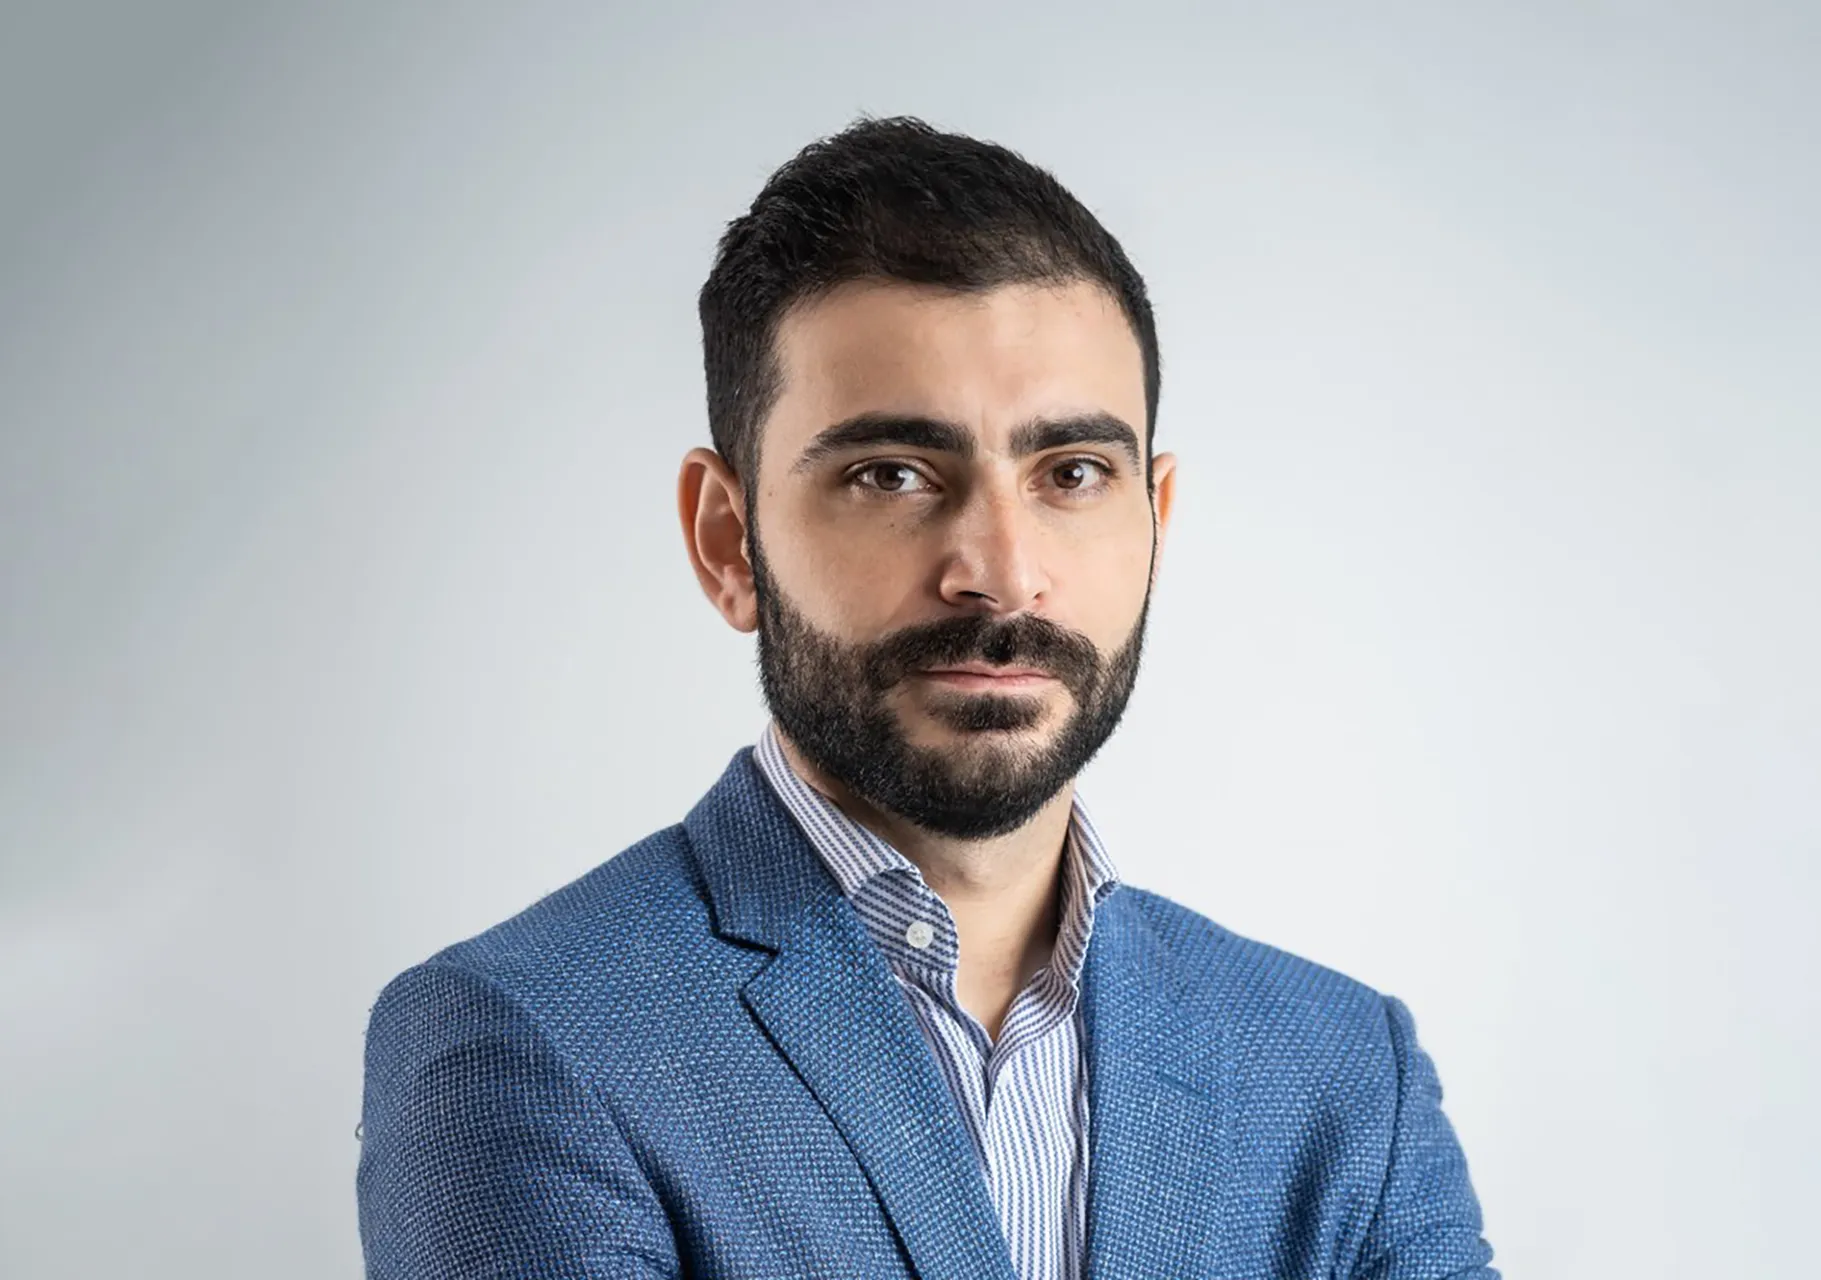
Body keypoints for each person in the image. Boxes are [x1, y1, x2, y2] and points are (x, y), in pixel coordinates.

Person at [356, 114, 1499, 1280]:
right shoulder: (528, 1038)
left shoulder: (1345, 1071)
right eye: (892, 474)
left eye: (1072, 473)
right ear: (728, 540)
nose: (1002, 569)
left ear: (1155, 522)